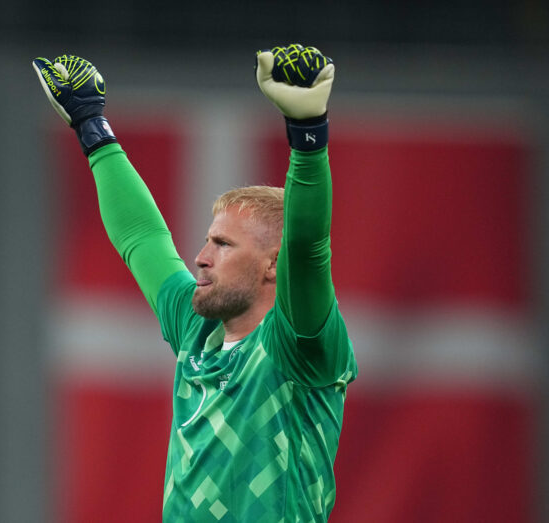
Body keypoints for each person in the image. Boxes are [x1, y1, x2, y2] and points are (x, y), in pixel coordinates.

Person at [33, 43, 357, 522]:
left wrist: (308, 134)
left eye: (224, 245)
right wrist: (91, 126)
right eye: (207, 242)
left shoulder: (299, 343)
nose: (201, 260)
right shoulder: (196, 329)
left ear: (273, 265)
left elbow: (308, 247)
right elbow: (142, 236)